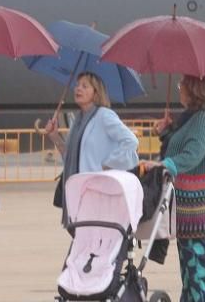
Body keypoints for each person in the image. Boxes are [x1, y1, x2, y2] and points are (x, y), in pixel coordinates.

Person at [144, 75, 205, 302]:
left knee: (196, 256)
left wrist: (164, 164)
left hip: (198, 198)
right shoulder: (190, 116)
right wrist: (167, 131)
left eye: (183, 86)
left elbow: (193, 153)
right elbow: (178, 146)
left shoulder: (204, 118)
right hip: (186, 197)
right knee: (188, 256)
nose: (180, 90)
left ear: (195, 89)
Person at [40, 72, 140, 225]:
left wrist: (108, 163)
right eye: (77, 85)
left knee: (90, 240)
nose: (78, 89)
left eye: (84, 86)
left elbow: (131, 141)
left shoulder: (104, 115)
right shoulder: (78, 121)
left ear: (96, 93)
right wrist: (54, 136)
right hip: (77, 191)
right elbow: (71, 158)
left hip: (95, 192)